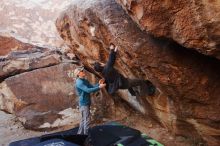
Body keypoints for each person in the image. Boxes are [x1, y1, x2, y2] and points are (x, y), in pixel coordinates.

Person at [74, 67, 106, 135]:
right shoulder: (79, 82)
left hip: (87, 102)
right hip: (83, 103)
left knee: (83, 119)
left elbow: (91, 87)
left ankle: (79, 135)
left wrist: (98, 84)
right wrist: (99, 87)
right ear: (78, 74)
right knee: (87, 120)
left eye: (82, 70)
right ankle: (86, 136)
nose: (83, 71)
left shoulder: (85, 80)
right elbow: (88, 90)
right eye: (81, 71)